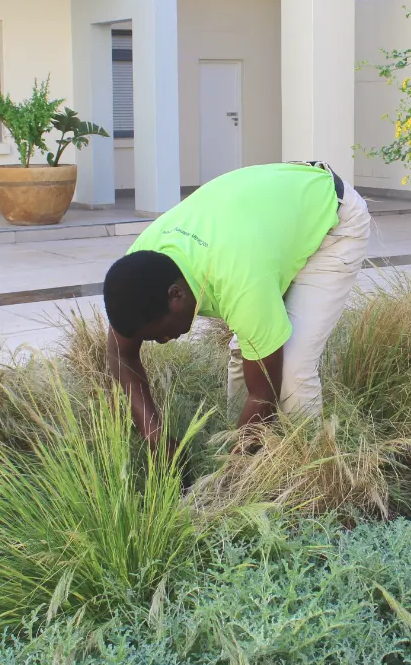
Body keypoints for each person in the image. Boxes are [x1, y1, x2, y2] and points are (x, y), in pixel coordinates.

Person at [103, 162, 371, 461]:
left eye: (160, 333)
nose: (165, 340)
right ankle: (238, 447)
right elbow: (121, 353)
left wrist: (230, 480)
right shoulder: (138, 271)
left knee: (292, 367)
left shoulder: (239, 280)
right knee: (249, 351)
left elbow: (263, 394)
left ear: (175, 294)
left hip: (332, 221)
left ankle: (307, 473)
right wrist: (157, 440)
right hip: (267, 225)